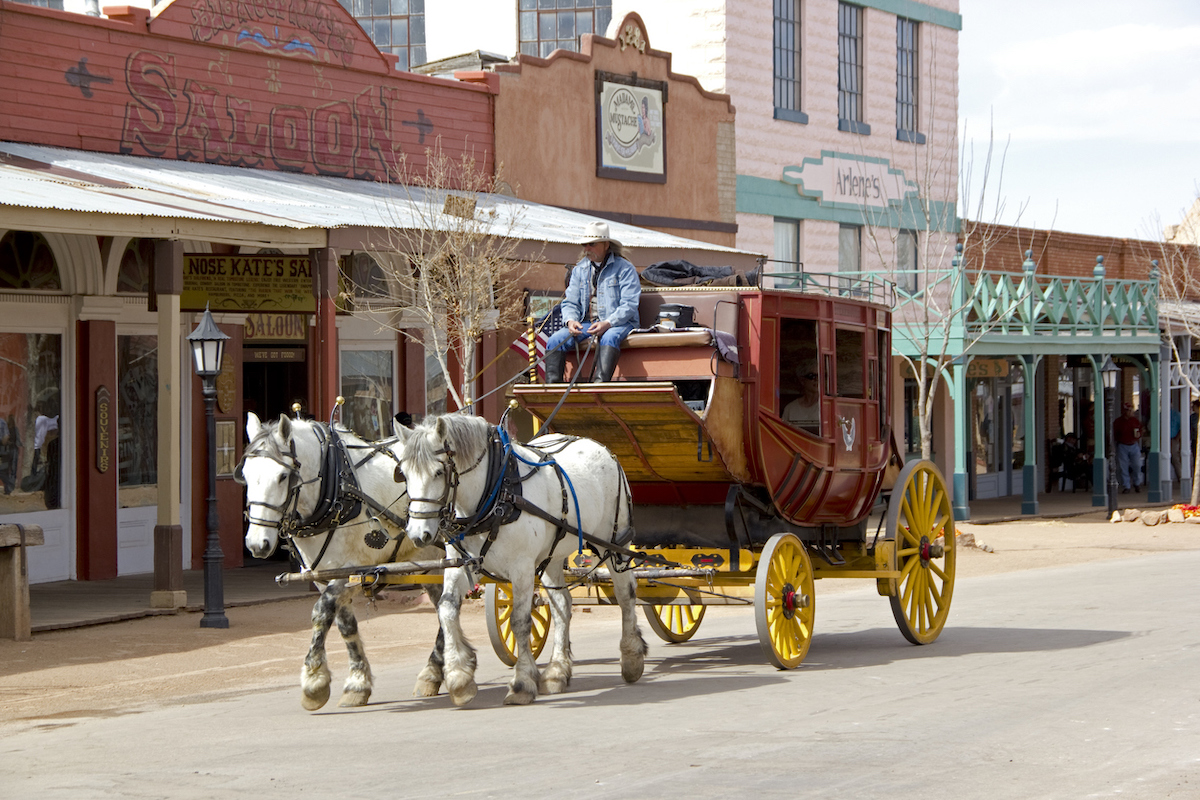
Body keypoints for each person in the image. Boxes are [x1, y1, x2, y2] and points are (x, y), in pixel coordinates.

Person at [543, 221, 641, 384]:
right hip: (588, 324)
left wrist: (608, 323)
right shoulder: (579, 270)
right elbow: (570, 302)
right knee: (554, 340)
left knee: (609, 337)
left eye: (592, 244)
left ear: (606, 245)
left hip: (620, 323)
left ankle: (599, 386)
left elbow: (629, 305)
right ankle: (553, 392)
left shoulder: (625, 268)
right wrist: (570, 321)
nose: (587, 248)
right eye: (585, 244)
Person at [1113, 402, 1143, 493]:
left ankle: (1137, 483)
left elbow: (1141, 430)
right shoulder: (1118, 422)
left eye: (1131, 410)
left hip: (1134, 445)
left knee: (1137, 465)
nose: (1131, 412)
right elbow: (1114, 434)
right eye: (1129, 410)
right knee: (1123, 467)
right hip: (1122, 445)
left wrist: (1139, 435)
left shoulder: (1135, 421)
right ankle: (1126, 486)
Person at [782, 363, 820, 432]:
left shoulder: (827, 406)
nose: (817, 379)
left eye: (820, 376)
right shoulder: (790, 408)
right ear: (802, 381)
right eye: (812, 376)